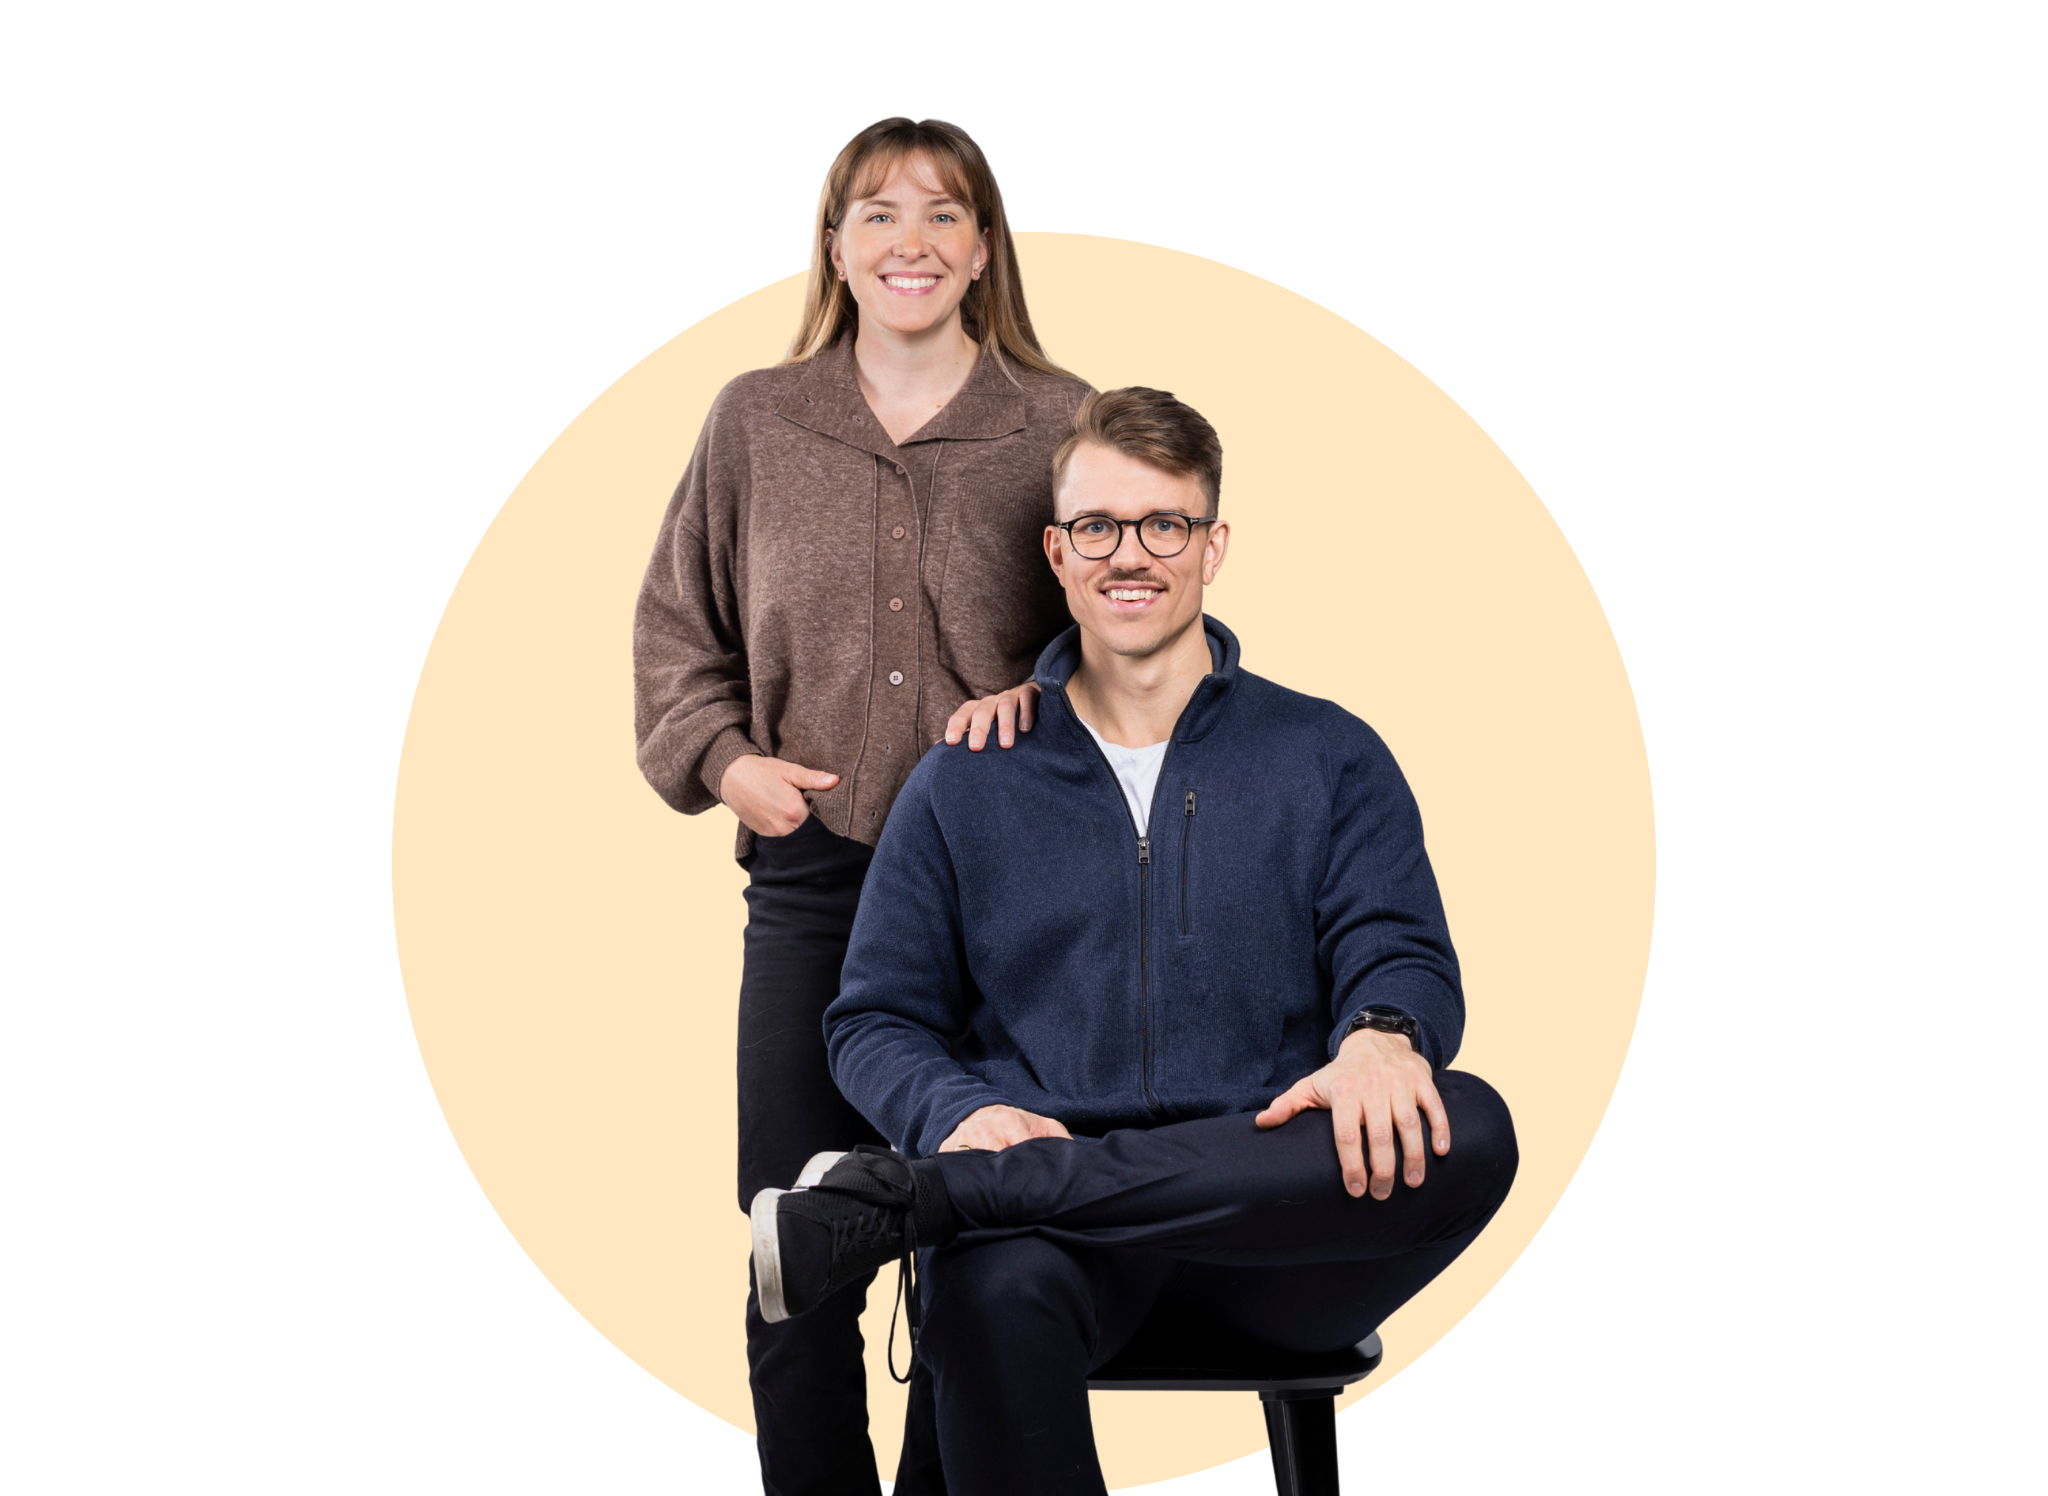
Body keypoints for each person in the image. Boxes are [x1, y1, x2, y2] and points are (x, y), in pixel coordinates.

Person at [751, 388, 1520, 1494]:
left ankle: (945, 1197)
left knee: (1472, 1122)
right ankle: (981, 1197)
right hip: (1058, 1258)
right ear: (1057, 554)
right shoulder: (966, 780)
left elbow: (1395, 946)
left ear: (1213, 545)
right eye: (1099, 527)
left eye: (1163, 523)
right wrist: (954, 1114)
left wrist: (1380, 1039)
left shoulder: (1327, 754)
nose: (1132, 554)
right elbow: (873, 1015)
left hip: (1278, 1229)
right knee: (984, 1289)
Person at [632, 117, 1089, 1496]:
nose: (911, 242)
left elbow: (1134, 615)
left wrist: (1046, 684)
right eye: (877, 213)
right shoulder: (757, 421)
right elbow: (675, 629)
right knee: (798, 1220)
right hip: (814, 876)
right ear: (835, 245)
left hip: (1008, 884)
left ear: (984, 249)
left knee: (979, 1208)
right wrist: (728, 764)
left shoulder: (1061, 419)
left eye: (944, 214)